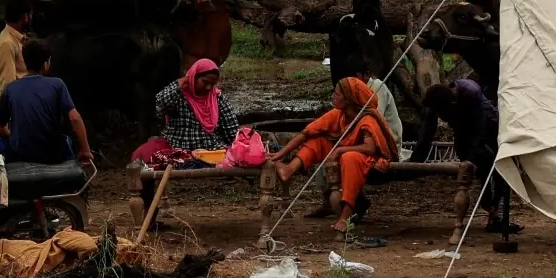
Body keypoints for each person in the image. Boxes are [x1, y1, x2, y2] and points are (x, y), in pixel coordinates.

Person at [269, 77, 399, 234]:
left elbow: (370, 148)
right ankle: (289, 169)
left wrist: (339, 151)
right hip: (347, 151)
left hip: (367, 158)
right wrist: (279, 154)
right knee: (317, 141)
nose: (333, 96)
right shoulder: (338, 114)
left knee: (349, 157)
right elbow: (307, 132)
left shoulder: (367, 119)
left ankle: (346, 214)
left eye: (337, 94)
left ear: (349, 99)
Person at [412, 78, 517, 232]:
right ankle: (489, 207)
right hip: (463, 131)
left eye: (442, 114)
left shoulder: (471, 93)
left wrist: (472, 158)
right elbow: (427, 132)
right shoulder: (437, 101)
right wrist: (416, 162)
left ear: (451, 104)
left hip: (490, 126)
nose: (441, 118)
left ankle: (494, 212)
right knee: (469, 169)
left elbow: (480, 129)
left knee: (495, 166)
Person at [0, 38, 95, 169]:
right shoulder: (57, 85)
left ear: (25, 62)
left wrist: (14, 136)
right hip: (52, 154)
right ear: (46, 63)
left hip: (19, 153)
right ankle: (71, 170)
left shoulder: (10, 88)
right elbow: (75, 118)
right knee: (66, 141)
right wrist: (86, 151)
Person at [152, 58, 240, 153]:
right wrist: (180, 82)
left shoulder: (217, 98)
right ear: (194, 77)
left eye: (212, 84)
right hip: (181, 148)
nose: (208, 87)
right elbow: (160, 105)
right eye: (205, 82)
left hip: (211, 149)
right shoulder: (179, 95)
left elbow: (231, 128)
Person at [0, 4, 33, 94]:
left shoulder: (19, 39)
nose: (31, 20)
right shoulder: (7, 44)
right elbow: (8, 85)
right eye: (30, 15)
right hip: (16, 103)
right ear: (24, 17)